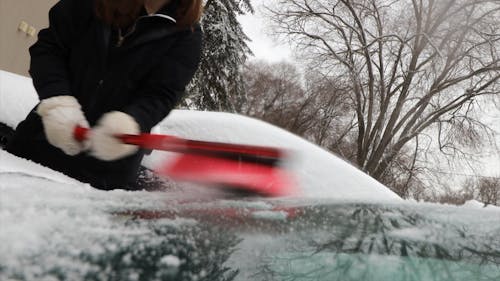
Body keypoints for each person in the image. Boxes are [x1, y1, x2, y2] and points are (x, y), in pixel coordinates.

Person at [6, 0, 203, 190]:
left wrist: (132, 121)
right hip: (38, 144)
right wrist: (57, 101)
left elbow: (162, 94)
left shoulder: (187, 36)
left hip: (105, 176)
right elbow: (49, 48)